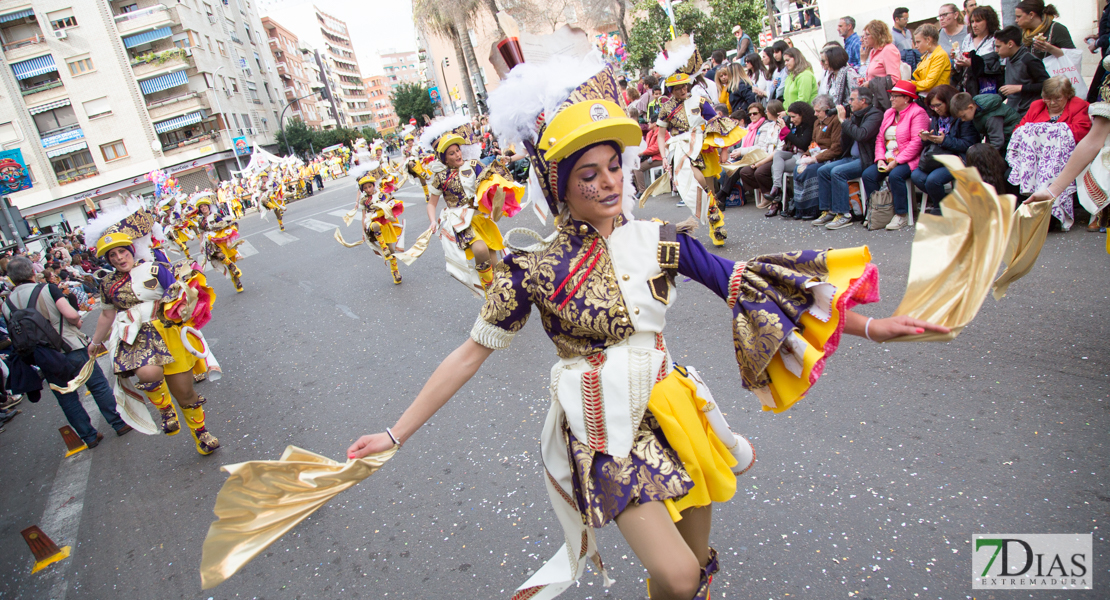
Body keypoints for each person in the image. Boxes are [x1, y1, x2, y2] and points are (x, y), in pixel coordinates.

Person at [348, 59, 950, 600]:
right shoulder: (530, 269)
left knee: (690, 569)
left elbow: (749, 282)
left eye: (615, 165)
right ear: (560, 184)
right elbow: (468, 356)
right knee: (679, 573)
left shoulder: (656, 239)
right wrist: (394, 434)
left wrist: (871, 327)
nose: (610, 182)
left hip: (673, 407)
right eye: (590, 172)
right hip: (602, 430)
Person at [85, 200, 220, 455]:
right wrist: (94, 343)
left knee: (187, 393)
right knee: (147, 374)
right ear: (108, 260)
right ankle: (165, 409)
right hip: (136, 337)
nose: (119, 258)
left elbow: (179, 294)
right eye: (112, 255)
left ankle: (201, 434)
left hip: (168, 332)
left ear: (131, 250)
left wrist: (185, 306)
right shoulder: (107, 284)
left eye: (122, 252)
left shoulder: (155, 268)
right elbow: (106, 315)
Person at [2, 256, 131, 448]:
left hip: (44, 356)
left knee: (66, 397)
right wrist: (76, 322)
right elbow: (71, 315)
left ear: (11, 279)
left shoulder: (6, 305)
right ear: (32, 272)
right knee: (97, 385)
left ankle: (89, 436)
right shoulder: (46, 289)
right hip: (70, 345)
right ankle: (118, 423)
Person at [657, 55, 746, 245]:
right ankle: (713, 216)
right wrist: (664, 157)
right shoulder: (665, 108)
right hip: (680, 149)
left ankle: (715, 224)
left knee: (709, 191)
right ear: (671, 89)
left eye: (685, 86)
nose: (683, 90)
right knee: (696, 182)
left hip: (701, 147)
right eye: (678, 87)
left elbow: (718, 124)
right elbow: (660, 134)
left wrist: (724, 150)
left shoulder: (700, 101)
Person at [425, 125, 520, 293]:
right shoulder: (440, 178)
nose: (457, 155)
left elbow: (491, 181)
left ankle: (498, 295)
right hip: (461, 220)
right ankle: (490, 295)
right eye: (452, 153)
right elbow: (431, 203)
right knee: (480, 249)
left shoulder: (474, 165)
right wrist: (433, 221)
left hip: (480, 216)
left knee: (493, 262)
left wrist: (498, 196)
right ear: (445, 159)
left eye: (458, 150)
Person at [1007, 76, 1092, 229]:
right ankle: (1027, 210)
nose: (1052, 103)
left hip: (1064, 159)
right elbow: (1019, 130)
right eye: (1047, 98)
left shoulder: (1079, 106)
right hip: (1034, 159)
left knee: (1050, 173)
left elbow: (1081, 132)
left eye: (1057, 99)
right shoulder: (1036, 106)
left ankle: (1050, 217)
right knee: (1012, 173)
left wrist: (1045, 131)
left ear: (1067, 95)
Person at [861, 80, 930, 230]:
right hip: (887, 157)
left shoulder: (918, 113)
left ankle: (901, 215)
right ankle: (878, 211)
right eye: (891, 96)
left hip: (909, 159)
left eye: (894, 96)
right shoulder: (889, 113)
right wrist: (879, 159)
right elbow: (880, 138)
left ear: (906, 98)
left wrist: (896, 161)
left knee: (895, 175)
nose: (891, 98)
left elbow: (917, 142)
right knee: (868, 175)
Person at [814, 87, 884, 229]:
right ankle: (829, 210)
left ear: (863, 101)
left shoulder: (875, 115)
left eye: (852, 99)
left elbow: (862, 135)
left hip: (865, 159)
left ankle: (844, 213)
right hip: (851, 157)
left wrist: (844, 121)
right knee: (823, 170)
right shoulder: (855, 115)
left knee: (837, 172)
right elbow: (845, 141)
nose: (849, 102)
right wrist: (845, 123)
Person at [910, 84, 980, 214]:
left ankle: (940, 209)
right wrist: (926, 139)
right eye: (932, 106)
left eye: (938, 105)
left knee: (933, 180)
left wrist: (944, 140)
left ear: (948, 102)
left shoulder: (962, 116)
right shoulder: (937, 118)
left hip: (958, 158)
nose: (935, 109)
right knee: (916, 176)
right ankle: (945, 205)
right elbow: (934, 142)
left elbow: (968, 143)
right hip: (938, 157)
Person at [788, 95, 843, 220]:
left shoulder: (835, 121)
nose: (815, 113)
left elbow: (836, 148)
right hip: (815, 154)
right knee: (798, 169)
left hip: (828, 156)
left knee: (811, 171)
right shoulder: (817, 122)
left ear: (827, 109)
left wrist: (815, 159)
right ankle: (800, 208)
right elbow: (813, 142)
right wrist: (806, 154)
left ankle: (814, 208)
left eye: (818, 111)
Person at [764, 101, 816, 216]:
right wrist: (785, 127)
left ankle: (776, 197)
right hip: (792, 153)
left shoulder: (809, 126)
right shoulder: (793, 124)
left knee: (775, 168)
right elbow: (785, 141)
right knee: (777, 155)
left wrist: (786, 131)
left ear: (802, 114)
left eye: (794, 117)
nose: (791, 119)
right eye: (790, 116)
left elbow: (802, 144)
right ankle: (777, 187)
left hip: (803, 155)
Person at [736, 100, 786, 205]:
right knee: (745, 171)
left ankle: (773, 196)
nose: (752, 116)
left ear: (774, 112)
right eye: (750, 114)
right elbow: (765, 145)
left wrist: (760, 162)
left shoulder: (781, 126)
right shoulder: (770, 126)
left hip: (776, 156)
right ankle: (765, 192)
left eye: (755, 113)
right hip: (765, 154)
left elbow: (779, 148)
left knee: (759, 171)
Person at [195, 194, 245, 293]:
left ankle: (237, 281)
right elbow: (201, 233)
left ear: (208, 206)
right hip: (210, 243)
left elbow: (225, 227)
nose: (203, 208)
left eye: (204, 206)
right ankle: (232, 267)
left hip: (220, 240)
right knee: (220, 256)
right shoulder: (200, 220)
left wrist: (228, 240)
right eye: (201, 207)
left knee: (228, 259)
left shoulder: (215, 216)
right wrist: (201, 245)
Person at [996, 25, 1050, 115]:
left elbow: (1047, 85)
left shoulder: (1029, 60)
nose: (996, 50)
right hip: (1013, 110)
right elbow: (1008, 87)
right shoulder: (1009, 58)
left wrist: (1020, 88)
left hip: (1029, 113)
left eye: (998, 46)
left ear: (1010, 44)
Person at [953, 6, 1002, 95]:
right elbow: (960, 68)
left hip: (987, 88)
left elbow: (999, 67)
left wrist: (974, 64)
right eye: (972, 21)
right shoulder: (968, 38)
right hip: (967, 87)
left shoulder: (996, 39)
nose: (974, 25)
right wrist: (958, 61)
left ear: (988, 21)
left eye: (978, 21)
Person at [950, 91, 1020, 151]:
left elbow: (997, 141)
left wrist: (985, 155)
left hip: (1012, 141)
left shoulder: (991, 116)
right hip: (1003, 139)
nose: (963, 120)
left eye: (963, 116)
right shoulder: (977, 109)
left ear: (970, 107)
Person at [912, 24, 952, 94]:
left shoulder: (940, 55)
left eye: (918, 42)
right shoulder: (926, 56)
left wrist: (909, 84)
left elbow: (929, 83)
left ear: (928, 39)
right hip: (926, 97)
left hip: (937, 98)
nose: (916, 46)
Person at [862, 20, 902, 85]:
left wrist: (870, 84)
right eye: (864, 35)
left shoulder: (888, 49)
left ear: (877, 35)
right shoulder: (873, 51)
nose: (864, 38)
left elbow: (894, 79)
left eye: (867, 35)